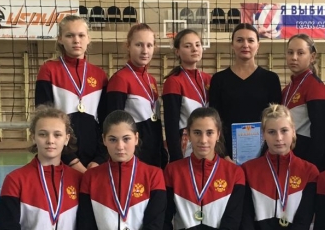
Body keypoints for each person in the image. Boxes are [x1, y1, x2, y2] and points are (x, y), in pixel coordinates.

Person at [280, 33, 325, 230]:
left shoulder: (316, 88)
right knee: (294, 224)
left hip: (309, 171)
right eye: (290, 52)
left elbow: (320, 138)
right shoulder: (289, 88)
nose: (294, 57)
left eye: (300, 53)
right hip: (290, 169)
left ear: (312, 56)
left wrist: (314, 175)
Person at [35, 15, 109, 173]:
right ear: (60, 39)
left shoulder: (100, 75)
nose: (76, 40)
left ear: (88, 38)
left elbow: (105, 123)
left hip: (94, 161)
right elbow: (44, 120)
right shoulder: (49, 70)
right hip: (61, 157)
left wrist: (99, 160)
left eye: (81, 35)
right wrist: (73, 162)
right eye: (70, 35)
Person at [209, 23, 282, 164]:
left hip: (264, 155)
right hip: (227, 156)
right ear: (232, 45)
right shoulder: (219, 80)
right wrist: (224, 154)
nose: (245, 45)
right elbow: (214, 121)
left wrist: (268, 153)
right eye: (240, 40)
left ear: (258, 45)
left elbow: (275, 120)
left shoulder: (271, 79)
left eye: (250, 40)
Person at [106, 23, 166, 168]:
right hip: (134, 155)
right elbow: (113, 124)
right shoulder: (120, 79)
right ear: (128, 46)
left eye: (149, 45)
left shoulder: (151, 80)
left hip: (154, 152)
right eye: (139, 45)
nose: (145, 51)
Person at [162, 28, 212, 162]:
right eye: (188, 46)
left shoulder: (208, 79)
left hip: (208, 141)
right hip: (186, 145)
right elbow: (171, 125)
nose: (194, 49)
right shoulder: (174, 81)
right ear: (177, 51)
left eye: (197, 45)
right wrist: (176, 158)